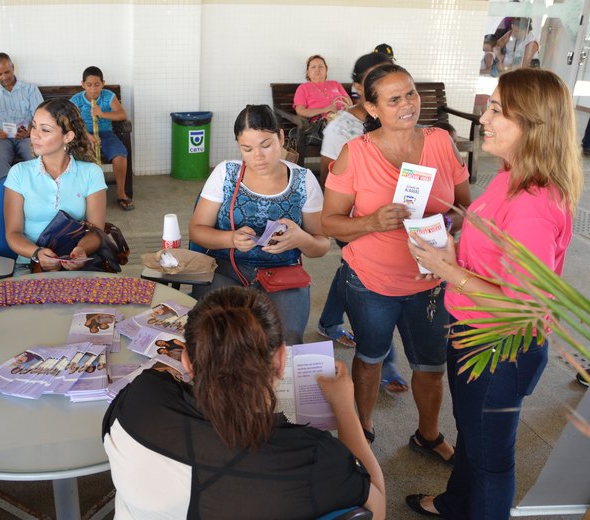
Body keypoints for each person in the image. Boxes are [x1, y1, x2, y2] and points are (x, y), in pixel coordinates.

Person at [406, 69, 583, 519]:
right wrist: (454, 250)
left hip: (500, 347)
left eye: (498, 110)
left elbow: (523, 304)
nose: (484, 117)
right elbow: (494, 249)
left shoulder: (533, 205)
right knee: (472, 432)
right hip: (472, 333)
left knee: (492, 461)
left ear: (533, 123)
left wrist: (450, 271)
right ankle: (454, 504)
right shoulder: (510, 177)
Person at [103, 287, 386, 519]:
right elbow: (376, 507)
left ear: (187, 360)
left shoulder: (141, 399)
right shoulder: (314, 456)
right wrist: (346, 409)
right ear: (280, 361)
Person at [321, 63, 470, 455]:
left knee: (431, 366)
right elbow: (329, 222)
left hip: (430, 282)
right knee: (369, 359)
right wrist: (370, 222)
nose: (407, 104)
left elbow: (465, 209)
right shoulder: (355, 154)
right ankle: (363, 432)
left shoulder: (440, 142)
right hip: (371, 282)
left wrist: (443, 223)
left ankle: (428, 434)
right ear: (372, 109)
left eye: (411, 94)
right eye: (394, 99)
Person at [189, 104, 330, 345]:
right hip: (226, 270)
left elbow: (322, 245)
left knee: (286, 339)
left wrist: (301, 239)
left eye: (266, 145)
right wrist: (230, 239)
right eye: (247, 148)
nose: (258, 156)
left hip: (283, 275)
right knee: (214, 336)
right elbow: (197, 230)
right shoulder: (226, 174)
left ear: (281, 137)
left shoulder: (304, 181)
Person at [316, 52, 408, 397]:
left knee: (350, 271)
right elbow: (329, 176)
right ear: (358, 88)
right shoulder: (342, 127)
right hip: (353, 219)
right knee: (371, 282)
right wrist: (357, 212)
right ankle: (388, 363)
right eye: (373, 80)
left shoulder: (399, 121)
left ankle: (328, 322)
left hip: (392, 219)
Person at [3, 98, 107, 271]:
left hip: (76, 264)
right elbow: (13, 233)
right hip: (30, 264)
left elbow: (96, 231)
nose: (35, 134)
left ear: (68, 136)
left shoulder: (91, 173)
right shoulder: (19, 173)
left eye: (45, 130)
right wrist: (37, 253)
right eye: (34, 126)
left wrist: (81, 251)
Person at [70, 66, 134, 211]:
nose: (93, 89)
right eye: (89, 85)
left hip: (106, 134)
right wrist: (87, 136)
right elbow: (70, 122)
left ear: (103, 83)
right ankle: (83, 194)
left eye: (97, 85)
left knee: (120, 155)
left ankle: (121, 193)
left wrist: (102, 114)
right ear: (83, 84)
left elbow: (122, 115)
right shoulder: (76, 100)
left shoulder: (108, 96)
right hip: (84, 135)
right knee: (77, 156)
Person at [0, 52, 44, 179]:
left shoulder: (30, 89)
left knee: (37, 153)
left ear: (13, 67)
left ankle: (36, 186)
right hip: (1, 138)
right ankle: (9, 188)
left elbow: (41, 116)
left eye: (7, 72)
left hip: (26, 137)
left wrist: (30, 131)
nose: (4, 77)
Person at [293, 55, 352, 123]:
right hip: (321, 124)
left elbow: (348, 101)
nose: (317, 69)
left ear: (326, 70)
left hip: (343, 119)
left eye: (321, 66)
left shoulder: (335, 84)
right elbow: (300, 111)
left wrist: (346, 107)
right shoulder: (303, 88)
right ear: (308, 72)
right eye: (313, 67)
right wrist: (324, 110)